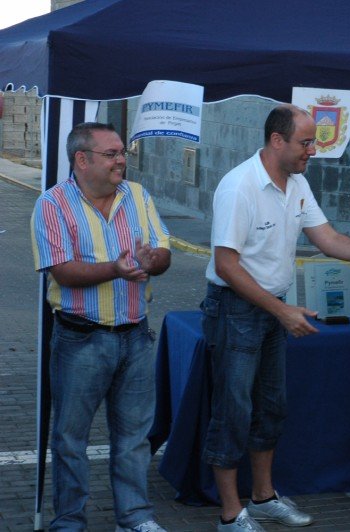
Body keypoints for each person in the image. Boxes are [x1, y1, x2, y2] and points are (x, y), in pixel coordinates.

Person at [201, 104, 350, 532]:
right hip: (236, 309)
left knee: (272, 408)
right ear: (277, 140)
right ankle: (229, 514)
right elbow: (226, 266)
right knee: (232, 411)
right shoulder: (239, 186)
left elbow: (328, 238)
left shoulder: (298, 182)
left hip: (273, 308)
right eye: (305, 142)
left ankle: (263, 498)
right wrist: (282, 310)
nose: (313, 151)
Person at [31, 122, 171, 531]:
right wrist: (116, 269)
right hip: (81, 339)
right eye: (111, 154)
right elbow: (61, 270)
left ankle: (135, 517)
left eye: (122, 152)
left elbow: (163, 251)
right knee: (70, 439)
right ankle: (70, 521)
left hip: (136, 336)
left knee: (134, 438)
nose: (121, 160)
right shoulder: (53, 204)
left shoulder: (138, 196)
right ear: (82, 159)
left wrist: (154, 261)